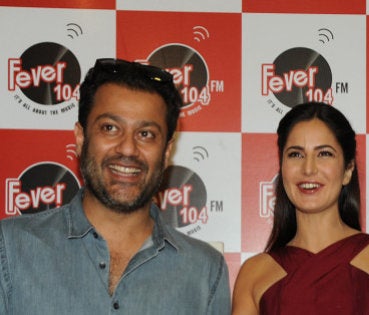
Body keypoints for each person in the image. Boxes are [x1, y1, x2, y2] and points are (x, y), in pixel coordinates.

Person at [0, 58, 230, 314]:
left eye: (146, 134)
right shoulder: (9, 248)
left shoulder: (205, 271)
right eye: (110, 128)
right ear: (80, 138)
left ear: (166, 152)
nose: (128, 148)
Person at [232, 102, 369, 314]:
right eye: (296, 154)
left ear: (348, 170)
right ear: (282, 168)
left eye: (324, 154)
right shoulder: (254, 274)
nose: (308, 169)